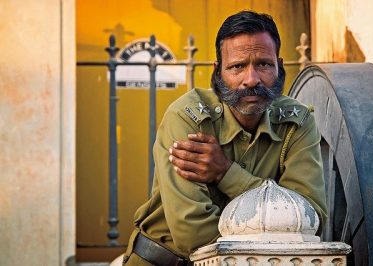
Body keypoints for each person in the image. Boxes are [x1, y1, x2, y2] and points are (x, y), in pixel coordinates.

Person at [123, 10, 327, 266]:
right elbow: (193, 233)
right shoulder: (187, 118)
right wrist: (272, 230)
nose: (251, 79)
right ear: (218, 72)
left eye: (263, 64)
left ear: (280, 66)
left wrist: (226, 172)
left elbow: (309, 219)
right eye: (237, 67)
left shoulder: (297, 122)